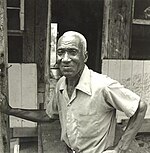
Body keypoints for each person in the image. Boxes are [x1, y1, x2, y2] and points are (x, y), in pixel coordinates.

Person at [0, 31, 147, 153]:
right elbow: (48, 115)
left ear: (85, 56)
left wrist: (120, 149)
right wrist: (10, 110)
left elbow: (140, 107)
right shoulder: (61, 85)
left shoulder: (102, 86)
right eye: (60, 52)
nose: (65, 59)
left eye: (72, 52)